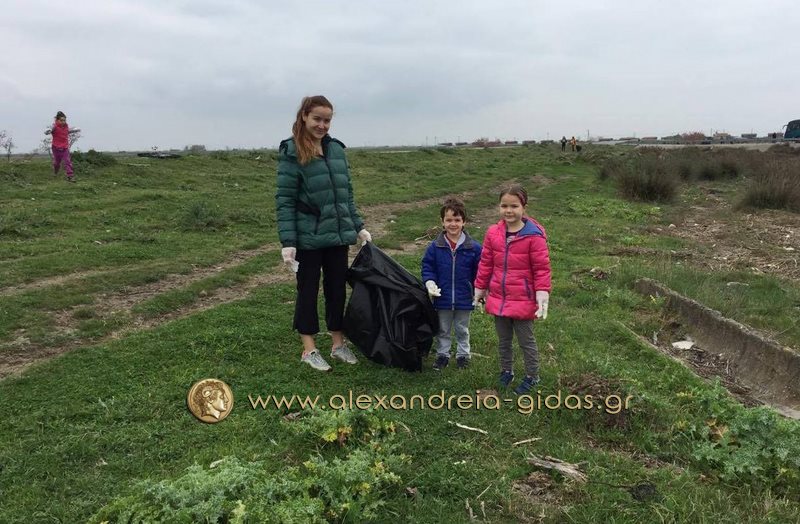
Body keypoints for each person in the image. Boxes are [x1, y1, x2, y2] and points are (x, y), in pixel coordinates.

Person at [276, 95, 371, 371]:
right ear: (304, 116)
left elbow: (346, 195)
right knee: (307, 290)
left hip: (337, 235)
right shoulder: (292, 151)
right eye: (317, 119)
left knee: (336, 289)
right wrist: (288, 242)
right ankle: (309, 349)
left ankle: (338, 344)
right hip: (308, 237)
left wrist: (358, 226)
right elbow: (285, 200)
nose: (322, 125)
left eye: (327, 120)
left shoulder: (336, 150)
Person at [473, 185, 551, 395]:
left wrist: (542, 292)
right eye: (504, 206)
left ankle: (532, 376)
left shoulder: (534, 236)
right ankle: (506, 371)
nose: (509, 210)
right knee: (504, 340)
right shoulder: (493, 233)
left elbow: (542, 268)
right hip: (499, 297)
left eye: (514, 206)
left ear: (524, 207)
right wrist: (480, 287)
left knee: (526, 341)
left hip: (523, 299)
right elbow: (486, 263)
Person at [421, 197, 482, 371]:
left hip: (465, 297)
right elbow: (428, 267)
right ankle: (442, 355)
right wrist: (430, 282)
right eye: (449, 220)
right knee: (443, 328)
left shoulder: (474, 248)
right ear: (442, 222)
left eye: (457, 220)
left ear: (464, 222)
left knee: (462, 328)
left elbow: (481, 271)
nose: (453, 224)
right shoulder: (434, 247)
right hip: (442, 297)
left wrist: (479, 291)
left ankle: (463, 355)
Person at [44, 111, 80, 182]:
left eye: (64, 120)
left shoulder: (66, 127)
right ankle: (55, 172)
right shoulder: (54, 127)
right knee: (57, 163)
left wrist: (76, 130)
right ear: (57, 120)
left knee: (67, 161)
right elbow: (48, 130)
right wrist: (48, 131)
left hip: (65, 148)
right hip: (56, 148)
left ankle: (70, 176)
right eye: (61, 120)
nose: (63, 122)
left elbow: (69, 131)